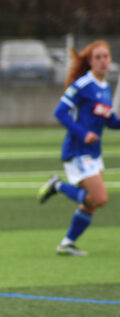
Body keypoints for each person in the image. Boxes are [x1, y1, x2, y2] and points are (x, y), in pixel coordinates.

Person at [37, 40, 119, 256]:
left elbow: (108, 121)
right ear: (90, 62)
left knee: (91, 202)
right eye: (98, 57)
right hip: (77, 150)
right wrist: (83, 134)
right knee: (100, 198)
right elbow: (60, 112)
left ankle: (67, 243)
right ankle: (57, 186)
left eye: (106, 57)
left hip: (94, 153)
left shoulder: (105, 89)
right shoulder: (83, 85)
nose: (103, 61)